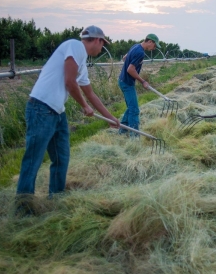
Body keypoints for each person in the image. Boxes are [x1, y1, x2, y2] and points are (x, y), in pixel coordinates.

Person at [16, 25, 120, 214]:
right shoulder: (75, 46)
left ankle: (56, 199)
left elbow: (91, 94)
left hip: (57, 112)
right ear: (97, 40)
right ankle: (23, 209)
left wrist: (110, 118)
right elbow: (69, 82)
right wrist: (84, 107)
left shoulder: (82, 61)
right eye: (103, 44)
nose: (102, 48)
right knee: (33, 160)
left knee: (61, 158)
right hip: (41, 108)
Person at [118, 34, 161, 136]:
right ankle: (134, 137)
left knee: (131, 107)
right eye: (154, 46)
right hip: (127, 83)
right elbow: (130, 69)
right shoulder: (140, 52)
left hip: (122, 80)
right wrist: (143, 81)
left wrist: (130, 61)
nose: (154, 48)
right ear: (150, 41)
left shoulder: (136, 46)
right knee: (134, 109)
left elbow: (125, 58)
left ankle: (122, 130)